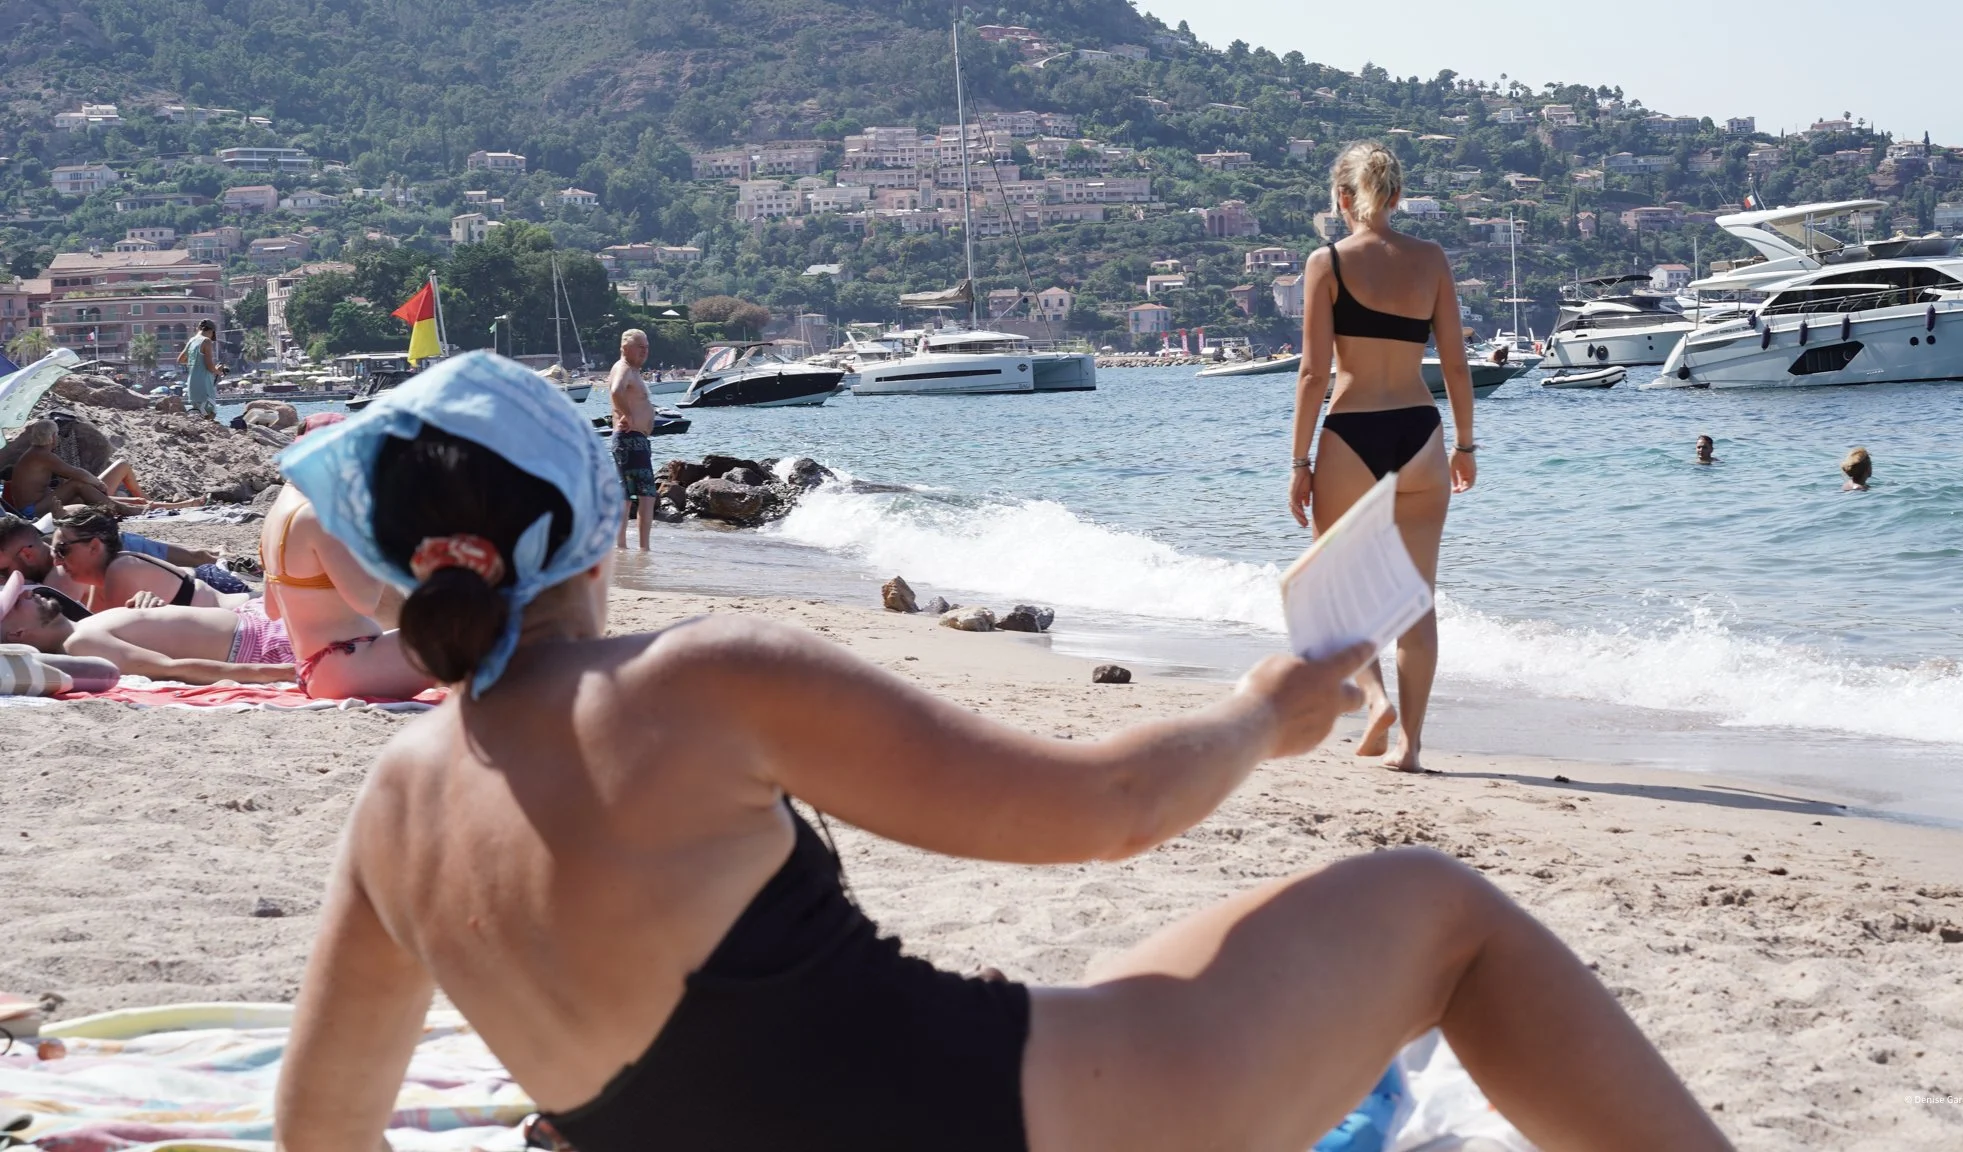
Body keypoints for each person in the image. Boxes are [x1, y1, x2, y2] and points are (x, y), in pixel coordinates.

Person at [272, 352, 1730, 1152]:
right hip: (1010, 1125)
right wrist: (1260, 717)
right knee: (1438, 912)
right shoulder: (697, 679)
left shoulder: (395, 814)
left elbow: (322, 1138)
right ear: (591, 523)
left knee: (1107, 980)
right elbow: (1104, 807)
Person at [1288, 141, 1475, 773]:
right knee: (1415, 601)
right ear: (1395, 196)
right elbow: (1454, 363)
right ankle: (1411, 748)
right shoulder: (1432, 259)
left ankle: (1373, 702)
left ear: (1343, 197)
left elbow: (1314, 372)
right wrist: (1465, 446)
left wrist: (1298, 463)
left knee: (1336, 585)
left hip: (1353, 432)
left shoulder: (1328, 262)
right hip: (1421, 433)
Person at [260, 458, 436, 700]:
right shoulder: (314, 517)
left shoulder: (277, 517)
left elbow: (271, 609)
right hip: (349, 668)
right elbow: (366, 603)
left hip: (314, 670)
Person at [1, 573, 294, 684]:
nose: (28, 593)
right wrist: (281, 672)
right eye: (17, 602)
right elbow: (172, 668)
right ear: (17, 634)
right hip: (262, 643)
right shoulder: (81, 643)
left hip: (252, 620)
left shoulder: (84, 628)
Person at [44, 509, 250, 612]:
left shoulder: (121, 569)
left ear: (94, 546)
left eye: (62, 551)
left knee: (197, 555)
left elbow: (112, 636)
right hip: (210, 595)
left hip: (228, 596)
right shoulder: (100, 579)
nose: (57, 563)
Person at [608, 328, 656, 551]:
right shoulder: (624, 367)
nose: (644, 351)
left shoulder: (632, 370)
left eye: (646, 346)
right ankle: (644, 549)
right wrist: (628, 416)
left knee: (625, 496)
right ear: (625, 348)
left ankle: (621, 546)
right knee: (646, 494)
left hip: (633, 439)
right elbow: (617, 391)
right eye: (640, 346)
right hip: (630, 439)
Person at [177, 319, 220, 420]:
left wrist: (196, 364)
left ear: (199, 328)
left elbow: (180, 360)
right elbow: (209, 367)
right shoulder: (206, 341)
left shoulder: (192, 340)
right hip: (204, 385)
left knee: (200, 414)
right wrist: (218, 371)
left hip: (192, 385)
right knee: (210, 414)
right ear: (211, 331)